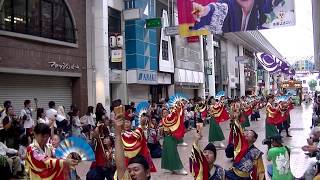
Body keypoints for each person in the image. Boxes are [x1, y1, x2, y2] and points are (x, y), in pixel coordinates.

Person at [114, 113, 151, 180]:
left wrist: (142, 125)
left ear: (131, 123)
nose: (126, 124)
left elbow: (142, 139)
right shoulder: (119, 135)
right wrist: (117, 134)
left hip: (136, 161)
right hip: (123, 162)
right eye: (124, 122)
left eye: (128, 122)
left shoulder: (134, 133)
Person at [161, 106, 187, 175]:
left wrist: (177, 111)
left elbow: (176, 121)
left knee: (173, 153)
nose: (165, 114)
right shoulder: (164, 120)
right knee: (169, 153)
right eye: (164, 113)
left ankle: (178, 168)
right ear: (162, 114)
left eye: (166, 112)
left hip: (172, 138)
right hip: (167, 138)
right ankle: (173, 168)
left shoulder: (169, 119)